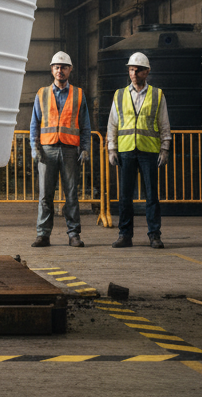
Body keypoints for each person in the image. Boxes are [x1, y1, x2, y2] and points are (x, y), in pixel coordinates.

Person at [107, 52, 171, 249]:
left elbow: (164, 123)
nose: (133, 73)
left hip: (149, 151)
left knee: (152, 195)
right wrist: (112, 148)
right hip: (126, 151)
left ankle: (154, 235)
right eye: (131, 69)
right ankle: (125, 235)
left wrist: (165, 148)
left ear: (147, 72)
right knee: (125, 196)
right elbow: (112, 124)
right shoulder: (119, 95)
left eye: (138, 70)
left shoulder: (157, 95)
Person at [30, 51, 92, 247]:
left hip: (69, 151)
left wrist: (85, 148)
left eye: (64, 67)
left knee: (71, 195)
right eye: (57, 67)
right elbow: (35, 123)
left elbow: (85, 125)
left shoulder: (79, 94)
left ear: (70, 70)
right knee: (45, 195)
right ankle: (43, 234)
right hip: (47, 151)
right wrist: (35, 147)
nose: (60, 70)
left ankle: (74, 234)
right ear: (52, 70)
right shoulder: (42, 94)